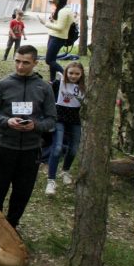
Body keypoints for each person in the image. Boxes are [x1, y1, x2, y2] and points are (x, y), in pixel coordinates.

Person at [0, 45, 57, 227]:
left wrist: (36, 126)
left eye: (25, 63)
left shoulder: (43, 88)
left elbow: (51, 119)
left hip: (31, 149)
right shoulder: (3, 84)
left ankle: (12, 226)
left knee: (22, 193)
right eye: (17, 61)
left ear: (35, 62)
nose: (20, 66)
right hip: (5, 146)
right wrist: (6, 121)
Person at [45, 61, 85, 195]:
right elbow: (47, 94)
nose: (73, 76)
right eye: (71, 73)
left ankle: (65, 171)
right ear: (66, 73)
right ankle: (51, 181)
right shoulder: (58, 84)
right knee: (57, 148)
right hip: (59, 119)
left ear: (81, 74)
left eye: (77, 74)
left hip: (75, 120)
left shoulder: (84, 87)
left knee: (73, 149)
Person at [38, 0, 74, 81]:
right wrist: (52, 21)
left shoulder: (63, 11)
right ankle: (52, 80)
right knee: (52, 60)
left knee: (48, 60)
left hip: (57, 38)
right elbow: (61, 25)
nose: (53, 1)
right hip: (55, 37)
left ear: (59, 0)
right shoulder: (65, 10)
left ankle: (66, 75)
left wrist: (45, 23)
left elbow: (60, 28)